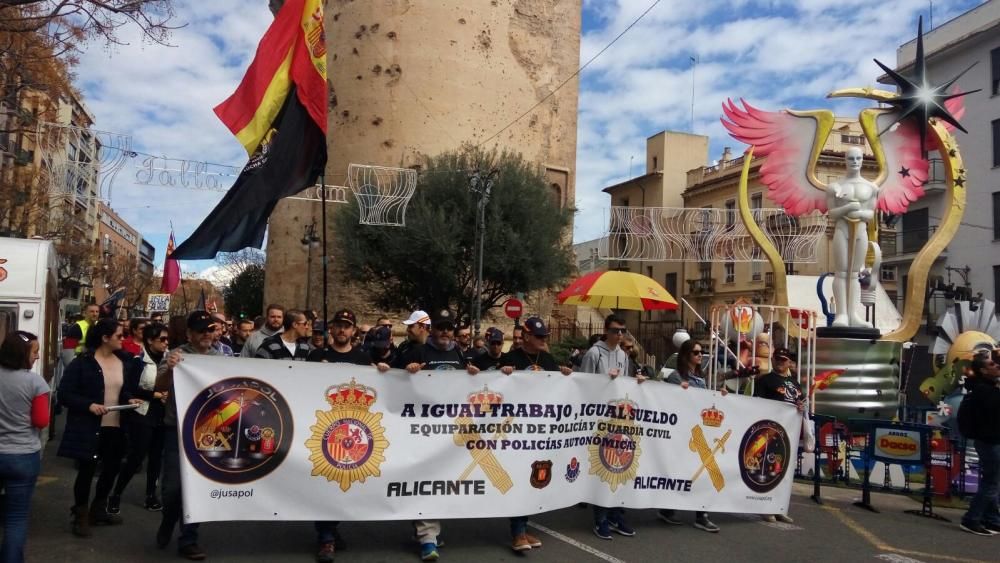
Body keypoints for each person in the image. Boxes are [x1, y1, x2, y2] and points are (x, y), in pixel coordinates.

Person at [403, 309, 478, 561]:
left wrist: (473, 376)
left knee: (443, 480)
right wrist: (407, 370)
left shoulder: (458, 353)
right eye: (440, 327)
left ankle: (426, 529)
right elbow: (391, 379)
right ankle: (427, 537)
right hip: (423, 427)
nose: (445, 331)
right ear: (431, 329)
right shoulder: (419, 351)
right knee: (427, 478)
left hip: (450, 429)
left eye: (449, 327)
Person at [58, 318, 143, 536]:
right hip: (90, 426)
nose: (123, 339)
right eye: (119, 335)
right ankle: (80, 514)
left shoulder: (124, 361)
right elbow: (65, 394)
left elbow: (122, 390)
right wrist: (88, 405)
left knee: (112, 468)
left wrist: (129, 399)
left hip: (116, 426)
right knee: (86, 471)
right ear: (105, 338)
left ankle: (99, 508)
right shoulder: (82, 363)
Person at [304, 309, 372, 562]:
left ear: (353, 331)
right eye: (338, 326)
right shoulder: (316, 355)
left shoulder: (364, 359)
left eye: (347, 326)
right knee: (325, 483)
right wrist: (316, 372)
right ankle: (326, 538)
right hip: (325, 430)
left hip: (355, 431)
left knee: (346, 485)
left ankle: (332, 528)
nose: (342, 330)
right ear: (330, 329)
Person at [497, 317, 569, 552]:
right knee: (518, 476)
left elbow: (557, 388)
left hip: (540, 430)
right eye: (539, 336)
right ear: (526, 336)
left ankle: (523, 526)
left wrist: (565, 375)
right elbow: (498, 387)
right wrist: (503, 373)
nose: (543, 340)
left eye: (545, 337)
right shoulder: (511, 359)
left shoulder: (547, 359)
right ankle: (517, 532)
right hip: (517, 429)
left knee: (533, 478)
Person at [154, 311, 220, 560]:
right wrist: (170, 370)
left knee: (197, 487)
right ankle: (168, 519)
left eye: (210, 329)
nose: (206, 334)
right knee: (172, 488)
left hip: (208, 432)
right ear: (190, 333)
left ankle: (189, 538)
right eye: (201, 330)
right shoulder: (176, 355)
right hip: (177, 429)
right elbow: (159, 386)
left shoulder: (220, 358)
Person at [578, 314, 636, 539]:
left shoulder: (623, 354)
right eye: (614, 330)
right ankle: (600, 517)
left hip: (618, 417)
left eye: (622, 330)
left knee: (618, 466)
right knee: (602, 467)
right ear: (606, 330)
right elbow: (583, 384)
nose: (619, 334)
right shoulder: (594, 353)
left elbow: (626, 384)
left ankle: (614, 513)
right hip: (598, 418)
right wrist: (604, 381)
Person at [107, 322, 170, 515]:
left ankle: (151, 495)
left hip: (163, 415)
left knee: (156, 459)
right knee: (136, 456)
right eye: (162, 339)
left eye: (168, 339)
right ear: (150, 340)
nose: (166, 343)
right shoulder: (138, 360)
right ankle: (116, 494)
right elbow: (129, 388)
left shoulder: (170, 360)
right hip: (142, 413)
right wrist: (155, 395)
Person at [660, 338, 722, 533]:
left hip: (698, 432)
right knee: (679, 471)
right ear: (687, 355)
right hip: (680, 432)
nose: (700, 355)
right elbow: (668, 400)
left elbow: (704, 403)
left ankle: (701, 514)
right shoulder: (676, 377)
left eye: (701, 352)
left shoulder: (701, 380)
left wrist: (719, 396)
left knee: (701, 472)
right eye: (696, 352)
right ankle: (667, 507)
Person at [0, 331, 49, 563]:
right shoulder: (35, 382)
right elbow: (41, 421)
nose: (37, 356)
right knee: (15, 518)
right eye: (35, 352)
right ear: (22, 354)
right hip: (22, 456)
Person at [827, 146, 878, 328]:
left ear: (862, 160)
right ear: (845, 161)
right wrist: (847, 209)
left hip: (861, 231)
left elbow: (871, 213)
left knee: (854, 274)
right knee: (841, 272)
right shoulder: (835, 187)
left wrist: (861, 213)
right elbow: (831, 213)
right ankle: (841, 314)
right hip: (842, 229)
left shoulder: (871, 187)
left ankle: (853, 314)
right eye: (851, 159)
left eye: (858, 158)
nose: (855, 162)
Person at [753, 346, 802, 524]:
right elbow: (757, 403)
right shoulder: (764, 380)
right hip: (769, 431)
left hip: (789, 432)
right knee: (767, 468)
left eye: (784, 359)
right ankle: (766, 507)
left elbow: (799, 402)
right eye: (778, 359)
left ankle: (780, 507)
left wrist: (800, 407)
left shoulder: (795, 383)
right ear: (773, 360)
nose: (781, 362)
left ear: (789, 362)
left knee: (784, 470)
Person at [958, 351, 1000, 536]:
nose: (997, 366)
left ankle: (991, 519)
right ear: (983, 370)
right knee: (991, 482)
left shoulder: (984, 388)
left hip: (988, 440)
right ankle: (972, 518)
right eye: (992, 364)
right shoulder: (985, 391)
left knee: (992, 481)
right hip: (990, 441)